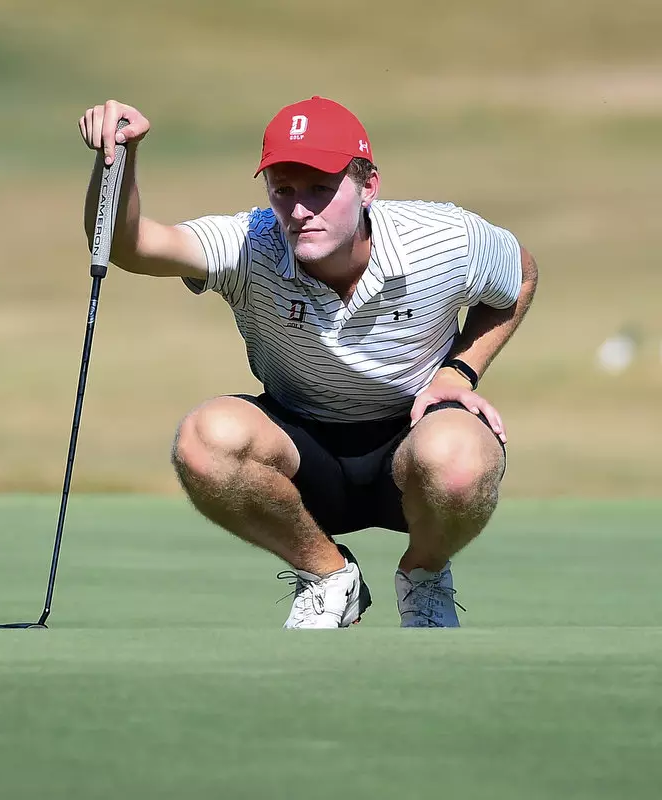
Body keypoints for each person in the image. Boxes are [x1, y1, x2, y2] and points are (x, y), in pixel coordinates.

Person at [78, 96, 538, 628]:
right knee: (204, 441)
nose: (299, 210)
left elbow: (521, 275)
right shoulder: (250, 243)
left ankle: (425, 574)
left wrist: (459, 371)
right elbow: (129, 246)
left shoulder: (443, 239)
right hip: (301, 453)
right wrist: (119, 157)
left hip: (415, 438)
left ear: (368, 186)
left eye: (320, 189)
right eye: (284, 190)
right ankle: (328, 576)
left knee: (459, 458)